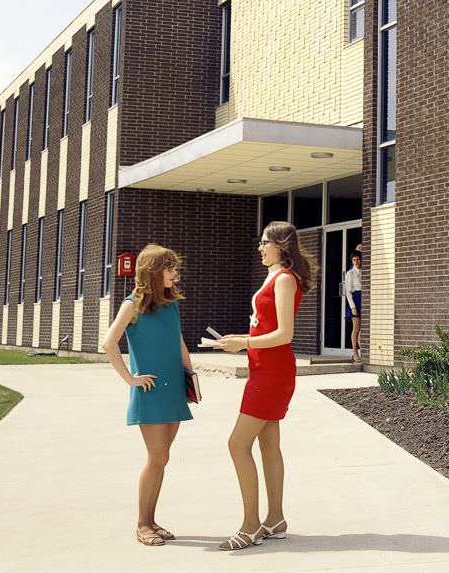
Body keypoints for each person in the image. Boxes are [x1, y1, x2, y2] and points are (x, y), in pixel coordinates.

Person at [214, 220, 313, 551]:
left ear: (281, 246)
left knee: (237, 444)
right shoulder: (275, 277)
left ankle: (251, 525)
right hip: (263, 369)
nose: (260, 248)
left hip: (272, 372)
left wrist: (244, 342)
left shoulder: (284, 280)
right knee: (268, 444)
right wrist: (241, 341)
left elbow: (285, 334)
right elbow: (266, 328)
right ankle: (275, 519)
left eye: (264, 243)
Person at [100, 244, 193, 547]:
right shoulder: (131, 306)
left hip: (174, 391)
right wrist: (131, 379)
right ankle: (142, 524)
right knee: (157, 457)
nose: (174, 273)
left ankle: (152, 521)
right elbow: (108, 343)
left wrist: (190, 380)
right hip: (150, 392)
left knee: (161, 460)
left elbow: (179, 342)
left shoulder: (171, 304)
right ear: (153, 271)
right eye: (169, 268)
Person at [344, 245, 363, 363]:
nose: (357, 262)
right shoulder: (350, 273)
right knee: (356, 327)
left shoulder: (364, 272)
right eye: (354, 260)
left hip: (363, 298)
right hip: (355, 299)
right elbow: (348, 291)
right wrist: (353, 307)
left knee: (362, 328)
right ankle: (354, 352)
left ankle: (362, 351)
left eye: (358, 259)